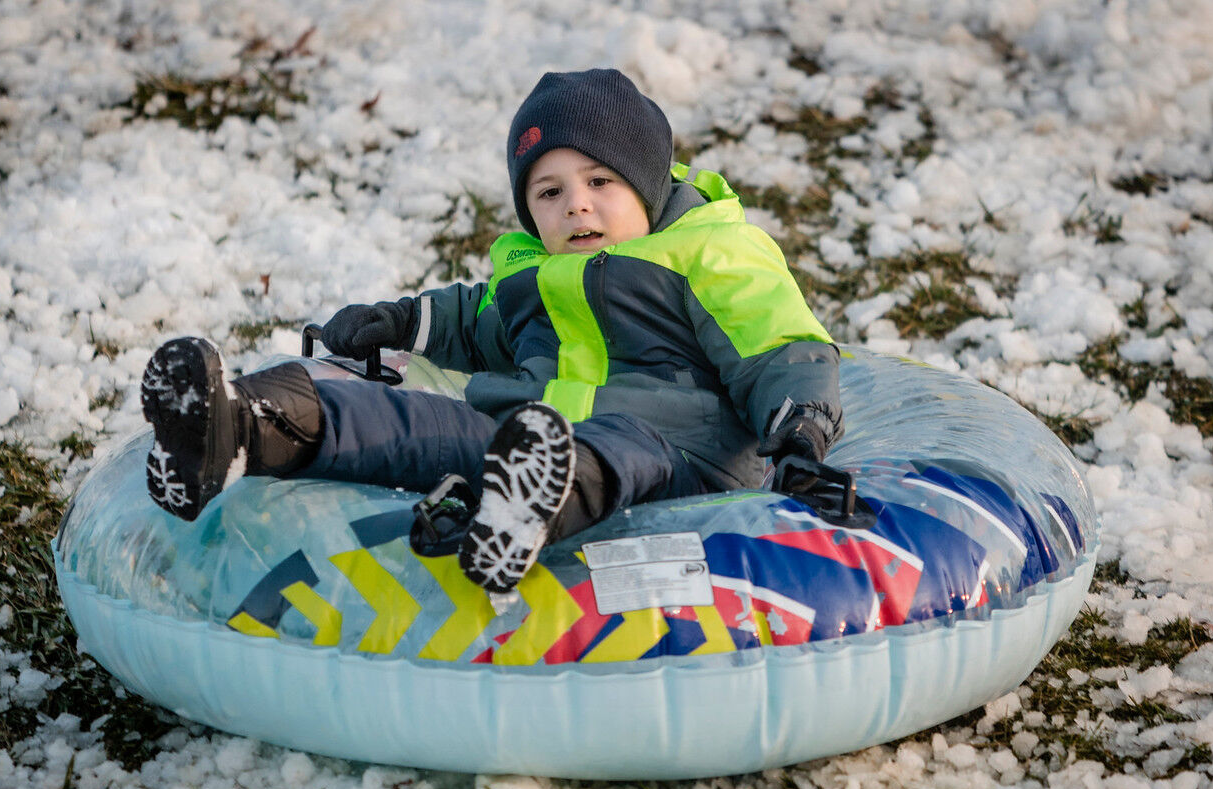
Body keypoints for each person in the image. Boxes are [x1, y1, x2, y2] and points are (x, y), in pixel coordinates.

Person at [140, 68, 843, 593]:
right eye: (550, 192)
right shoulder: (531, 271)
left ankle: (525, 510)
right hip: (525, 438)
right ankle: (241, 424)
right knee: (420, 423)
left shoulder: (708, 251)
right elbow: (475, 320)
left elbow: (776, 347)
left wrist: (800, 435)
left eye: (600, 182)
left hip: (676, 458)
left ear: (648, 182)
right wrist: (400, 321)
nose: (576, 206)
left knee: (618, 445)